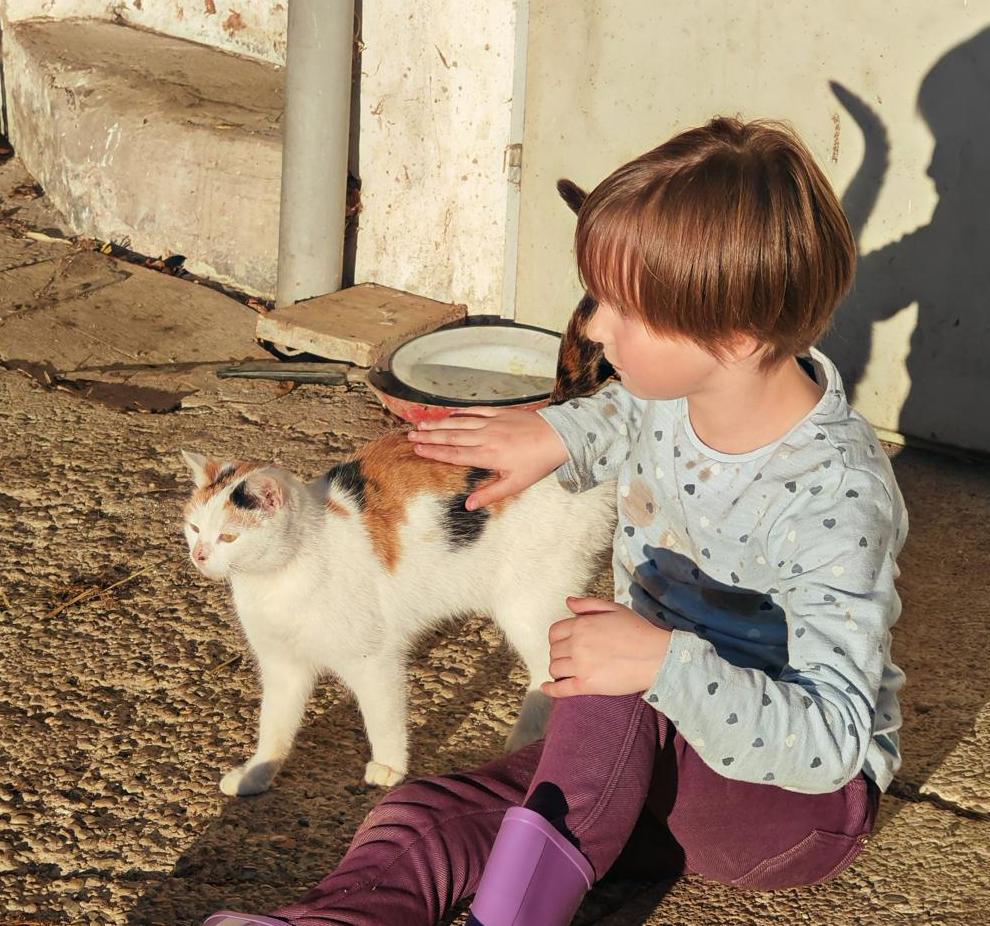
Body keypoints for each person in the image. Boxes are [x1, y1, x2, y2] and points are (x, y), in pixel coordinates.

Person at [203, 116, 908, 926]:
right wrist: (551, 434)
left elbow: (832, 744)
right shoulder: (678, 393)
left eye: (623, 309)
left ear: (735, 337)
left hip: (790, 807)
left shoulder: (835, 496)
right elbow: (622, 415)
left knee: (599, 672)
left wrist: (660, 664)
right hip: (647, 737)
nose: (595, 328)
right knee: (435, 808)